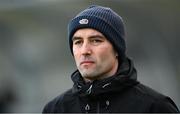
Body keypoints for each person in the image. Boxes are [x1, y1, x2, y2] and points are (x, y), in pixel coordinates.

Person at [42, 5, 179, 113]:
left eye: (96, 40)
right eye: (78, 42)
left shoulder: (155, 107)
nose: (85, 51)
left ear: (117, 49)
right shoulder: (55, 109)